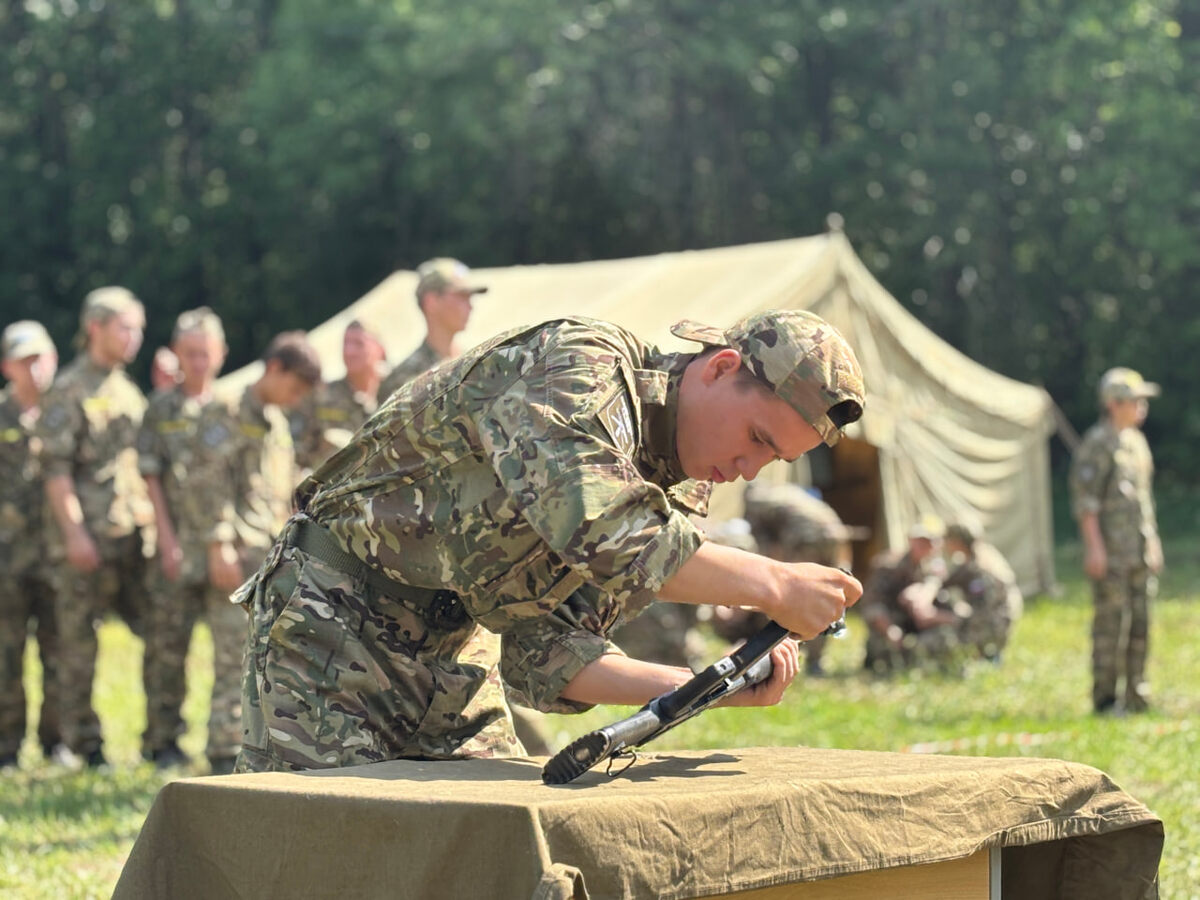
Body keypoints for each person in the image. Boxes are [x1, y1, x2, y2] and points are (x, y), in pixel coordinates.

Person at [234, 310, 866, 773]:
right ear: (721, 367)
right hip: (333, 621)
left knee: (495, 856)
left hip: (456, 651)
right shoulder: (581, 364)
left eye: (773, 458)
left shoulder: (675, 490)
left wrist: (698, 686)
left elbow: (548, 656)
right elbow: (601, 528)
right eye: (758, 437)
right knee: (318, 855)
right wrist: (776, 585)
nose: (749, 469)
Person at [37, 287, 153, 768]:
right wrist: (74, 534)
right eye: (124, 327)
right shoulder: (69, 389)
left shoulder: (126, 388)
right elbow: (55, 470)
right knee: (77, 645)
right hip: (86, 540)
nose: (134, 337)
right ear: (95, 329)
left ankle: (160, 739)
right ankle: (84, 746)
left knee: (160, 634)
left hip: (130, 536)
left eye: (138, 328)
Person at [204, 331, 320, 772]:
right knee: (231, 653)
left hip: (267, 555)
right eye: (294, 388)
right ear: (275, 369)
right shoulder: (227, 410)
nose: (295, 400)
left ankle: (253, 748)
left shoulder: (275, 421)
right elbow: (209, 481)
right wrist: (218, 543)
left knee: (262, 658)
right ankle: (220, 751)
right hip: (235, 551)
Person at [138, 308, 241, 770]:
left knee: (231, 650)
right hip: (177, 545)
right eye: (190, 352)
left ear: (221, 354)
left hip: (223, 552)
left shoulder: (234, 408)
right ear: (177, 354)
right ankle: (162, 741)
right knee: (166, 650)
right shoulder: (160, 410)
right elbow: (151, 476)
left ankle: (224, 744)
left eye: (207, 352)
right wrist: (166, 539)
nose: (199, 361)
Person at [1069, 367, 1161, 715]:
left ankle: (1136, 694)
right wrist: (1095, 548)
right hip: (1111, 554)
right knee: (1111, 625)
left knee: (1141, 623)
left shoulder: (1136, 443)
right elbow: (1086, 503)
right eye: (1135, 400)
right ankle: (1106, 698)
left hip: (1137, 552)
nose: (1141, 407)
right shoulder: (1097, 444)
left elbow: (1143, 500)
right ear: (1113, 404)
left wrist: (1152, 543)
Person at [717, 482, 866, 676]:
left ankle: (773, 654)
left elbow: (763, 552)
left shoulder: (756, 503)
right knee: (823, 596)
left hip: (804, 538)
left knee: (790, 596)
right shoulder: (788, 494)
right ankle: (815, 661)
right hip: (834, 534)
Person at [0, 321, 61, 767]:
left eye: (40, 359)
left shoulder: (65, 411)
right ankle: (6, 744)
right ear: (7, 367)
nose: (34, 370)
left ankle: (57, 740)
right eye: (24, 361)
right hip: (8, 559)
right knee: (7, 654)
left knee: (61, 651)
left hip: (59, 556)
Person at [378, 258, 487, 398]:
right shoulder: (403, 381)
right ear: (431, 302)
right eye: (461, 296)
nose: (470, 306)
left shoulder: (477, 363)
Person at [859, 517, 953, 674]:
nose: (925, 546)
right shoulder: (888, 565)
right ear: (911, 540)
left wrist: (927, 603)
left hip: (920, 623)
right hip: (891, 620)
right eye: (921, 541)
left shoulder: (937, 568)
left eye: (930, 541)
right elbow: (871, 604)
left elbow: (942, 594)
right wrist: (889, 630)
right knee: (884, 661)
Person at [292, 320, 388, 472]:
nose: (349, 352)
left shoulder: (394, 390)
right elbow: (298, 454)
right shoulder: (321, 396)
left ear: (380, 350)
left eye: (358, 344)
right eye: (346, 343)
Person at [941, 521, 1022, 663]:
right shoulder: (977, 556)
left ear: (957, 541)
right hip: (998, 617)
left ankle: (986, 654)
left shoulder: (981, 566)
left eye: (948, 540)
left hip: (995, 622)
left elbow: (988, 605)